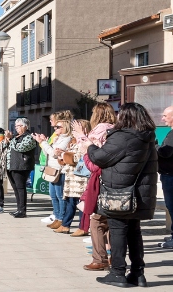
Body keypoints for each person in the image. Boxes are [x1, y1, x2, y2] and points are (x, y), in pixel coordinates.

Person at [87, 103, 158, 288]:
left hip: (119, 193)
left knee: (118, 232)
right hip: (139, 194)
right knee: (134, 233)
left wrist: (89, 147)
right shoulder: (148, 137)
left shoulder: (123, 137)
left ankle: (117, 273)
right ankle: (137, 274)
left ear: (125, 116)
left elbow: (100, 157)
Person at [75, 104, 116, 271]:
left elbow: (93, 162)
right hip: (116, 180)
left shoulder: (99, 131)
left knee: (97, 220)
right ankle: (113, 254)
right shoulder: (116, 129)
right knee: (113, 219)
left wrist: (81, 139)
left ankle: (99, 258)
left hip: (101, 180)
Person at [35, 114, 72, 229]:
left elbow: (54, 154)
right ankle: (56, 216)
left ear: (65, 127)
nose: (55, 129)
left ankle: (61, 218)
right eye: (55, 127)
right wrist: (45, 143)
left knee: (60, 195)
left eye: (58, 127)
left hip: (59, 170)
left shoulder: (67, 138)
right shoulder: (57, 138)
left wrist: (43, 143)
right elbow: (49, 152)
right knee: (53, 195)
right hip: (51, 169)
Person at [3, 117, 36, 218]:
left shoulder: (29, 137)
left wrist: (10, 139)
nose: (17, 128)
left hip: (21, 166)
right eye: (16, 126)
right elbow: (7, 147)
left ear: (26, 126)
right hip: (12, 166)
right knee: (16, 189)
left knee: (21, 188)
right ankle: (19, 209)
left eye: (19, 126)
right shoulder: (16, 137)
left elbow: (20, 147)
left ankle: (22, 210)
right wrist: (8, 140)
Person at [158, 105, 173, 249]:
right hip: (168, 175)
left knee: (172, 207)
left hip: (170, 176)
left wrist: (153, 147)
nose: (163, 118)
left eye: (165, 115)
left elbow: (166, 152)